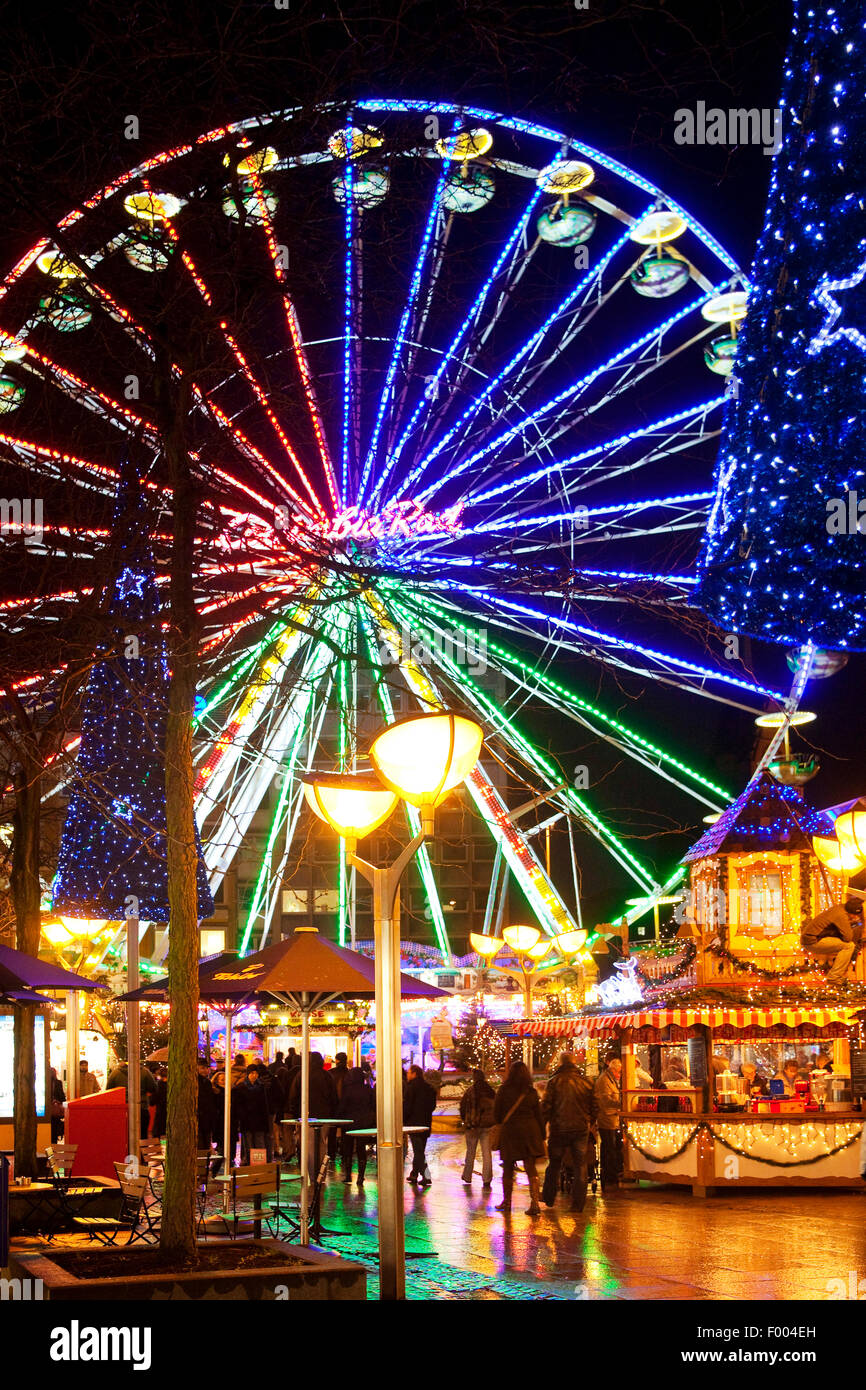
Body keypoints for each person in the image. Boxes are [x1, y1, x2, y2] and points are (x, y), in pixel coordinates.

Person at [541, 1053, 599, 1213]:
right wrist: (589, 1122)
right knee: (580, 1164)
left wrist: (543, 1126)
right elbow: (595, 1106)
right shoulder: (587, 1082)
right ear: (574, 1063)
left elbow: (546, 1107)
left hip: (559, 1128)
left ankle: (549, 1196)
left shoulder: (554, 1082)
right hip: (580, 1129)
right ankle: (578, 1204)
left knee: (554, 1163)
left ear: (561, 1063)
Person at [493, 1060, 544, 1215]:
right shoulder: (531, 1092)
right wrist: (542, 1135)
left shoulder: (503, 1090)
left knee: (508, 1167)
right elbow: (538, 1115)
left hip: (510, 1132)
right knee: (530, 1168)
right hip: (530, 1131)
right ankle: (534, 1203)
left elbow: (497, 1115)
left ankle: (507, 1202)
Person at [801, 897, 863, 986]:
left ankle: (834, 976)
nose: (856, 917)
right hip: (812, 941)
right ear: (850, 912)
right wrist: (855, 923)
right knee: (849, 946)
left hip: (812, 939)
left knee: (847, 945)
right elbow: (848, 937)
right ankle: (834, 977)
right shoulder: (841, 915)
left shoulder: (840, 908)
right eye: (855, 915)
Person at [459, 1069, 496, 1189]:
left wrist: (465, 1119)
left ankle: (467, 1176)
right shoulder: (490, 1091)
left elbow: (463, 1107)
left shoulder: (470, 1091)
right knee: (487, 1153)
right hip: (487, 1126)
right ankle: (487, 1179)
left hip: (472, 1126)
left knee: (470, 1151)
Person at [338, 1066, 376, 1185]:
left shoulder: (348, 1090)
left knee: (348, 1149)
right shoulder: (368, 1089)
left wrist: (338, 1118)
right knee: (361, 1149)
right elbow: (373, 1106)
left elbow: (342, 1107)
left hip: (348, 1124)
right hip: (364, 1124)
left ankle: (348, 1175)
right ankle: (360, 1177)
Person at [593, 1056, 623, 1190]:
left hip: (612, 1118)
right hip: (607, 1118)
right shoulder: (604, 1081)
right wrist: (621, 1103)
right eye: (619, 1071)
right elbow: (604, 1100)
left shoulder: (610, 1079)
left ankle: (612, 1174)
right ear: (614, 1070)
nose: (620, 1074)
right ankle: (609, 1176)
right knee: (609, 1148)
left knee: (611, 1147)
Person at [107, 1059, 158, 1138]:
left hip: (123, 1108)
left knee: (123, 1135)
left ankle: (126, 1150)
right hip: (141, 1107)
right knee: (142, 1134)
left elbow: (109, 1090)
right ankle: (140, 1149)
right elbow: (153, 1088)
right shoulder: (145, 1072)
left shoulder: (115, 1073)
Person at [404, 1065, 437, 1186]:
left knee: (418, 1151)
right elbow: (432, 1106)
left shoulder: (411, 1088)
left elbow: (407, 1107)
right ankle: (414, 1174)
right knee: (420, 1149)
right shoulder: (429, 1088)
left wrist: (405, 1120)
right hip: (426, 1123)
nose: (407, 1075)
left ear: (414, 1074)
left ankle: (426, 1176)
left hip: (414, 1124)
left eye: (409, 1072)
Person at [237, 1063, 273, 1163]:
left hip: (259, 1122)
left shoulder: (261, 1088)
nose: (254, 1075)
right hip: (247, 1122)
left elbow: (264, 1106)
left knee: (260, 1145)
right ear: (248, 1074)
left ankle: (259, 1165)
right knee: (248, 1145)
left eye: (256, 1073)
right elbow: (238, 1106)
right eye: (252, 1073)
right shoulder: (241, 1087)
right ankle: (249, 1164)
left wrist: (266, 1124)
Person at [196, 1057, 217, 1150]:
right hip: (200, 1116)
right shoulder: (196, 1081)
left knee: (206, 1141)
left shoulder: (207, 1082)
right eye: (202, 1068)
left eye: (206, 1068)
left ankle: (204, 1162)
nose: (205, 1070)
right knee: (201, 1142)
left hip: (206, 1117)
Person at [49, 1067, 65, 1143]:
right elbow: (62, 1096)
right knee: (54, 1126)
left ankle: (53, 1141)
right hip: (55, 1108)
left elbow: (61, 1095)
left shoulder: (58, 1082)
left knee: (54, 1126)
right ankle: (54, 1141)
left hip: (53, 1109)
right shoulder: (58, 1083)